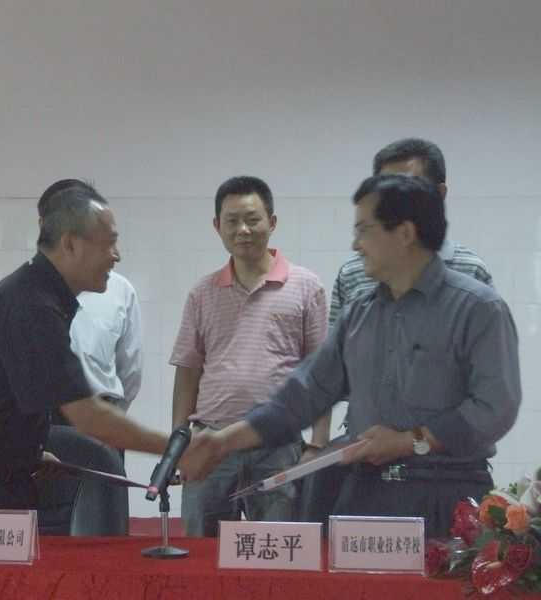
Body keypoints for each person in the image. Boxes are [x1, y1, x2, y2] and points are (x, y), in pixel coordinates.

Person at [180, 174, 520, 539]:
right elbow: (302, 395)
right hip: (365, 496)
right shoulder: (359, 315)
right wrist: (224, 441)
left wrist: (410, 441)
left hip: (446, 497)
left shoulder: (477, 309)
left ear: (405, 233)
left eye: (364, 230)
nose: (355, 244)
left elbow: (494, 407)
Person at [0, 185, 176, 516]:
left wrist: (25, 452)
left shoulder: (38, 294)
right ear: (70, 244)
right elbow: (87, 417)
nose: (117, 255)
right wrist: (177, 450)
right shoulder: (31, 305)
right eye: (109, 242)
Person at [302, 138, 494, 524]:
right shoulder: (354, 274)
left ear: (439, 195)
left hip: (448, 474)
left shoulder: (471, 273)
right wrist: (318, 445)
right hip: (367, 473)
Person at [170, 176, 328, 537]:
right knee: (200, 553)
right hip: (211, 443)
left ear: (272, 222)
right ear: (217, 226)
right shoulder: (202, 293)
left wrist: (318, 444)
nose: (243, 230)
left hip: (277, 445)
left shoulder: (306, 286)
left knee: (278, 552)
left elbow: (322, 373)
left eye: (253, 219)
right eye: (232, 221)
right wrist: (179, 443)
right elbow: (188, 372)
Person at [38, 179, 142, 417]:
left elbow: (130, 372)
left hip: (102, 415)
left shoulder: (120, 290)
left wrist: (108, 418)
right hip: (45, 420)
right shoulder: (25, 295)